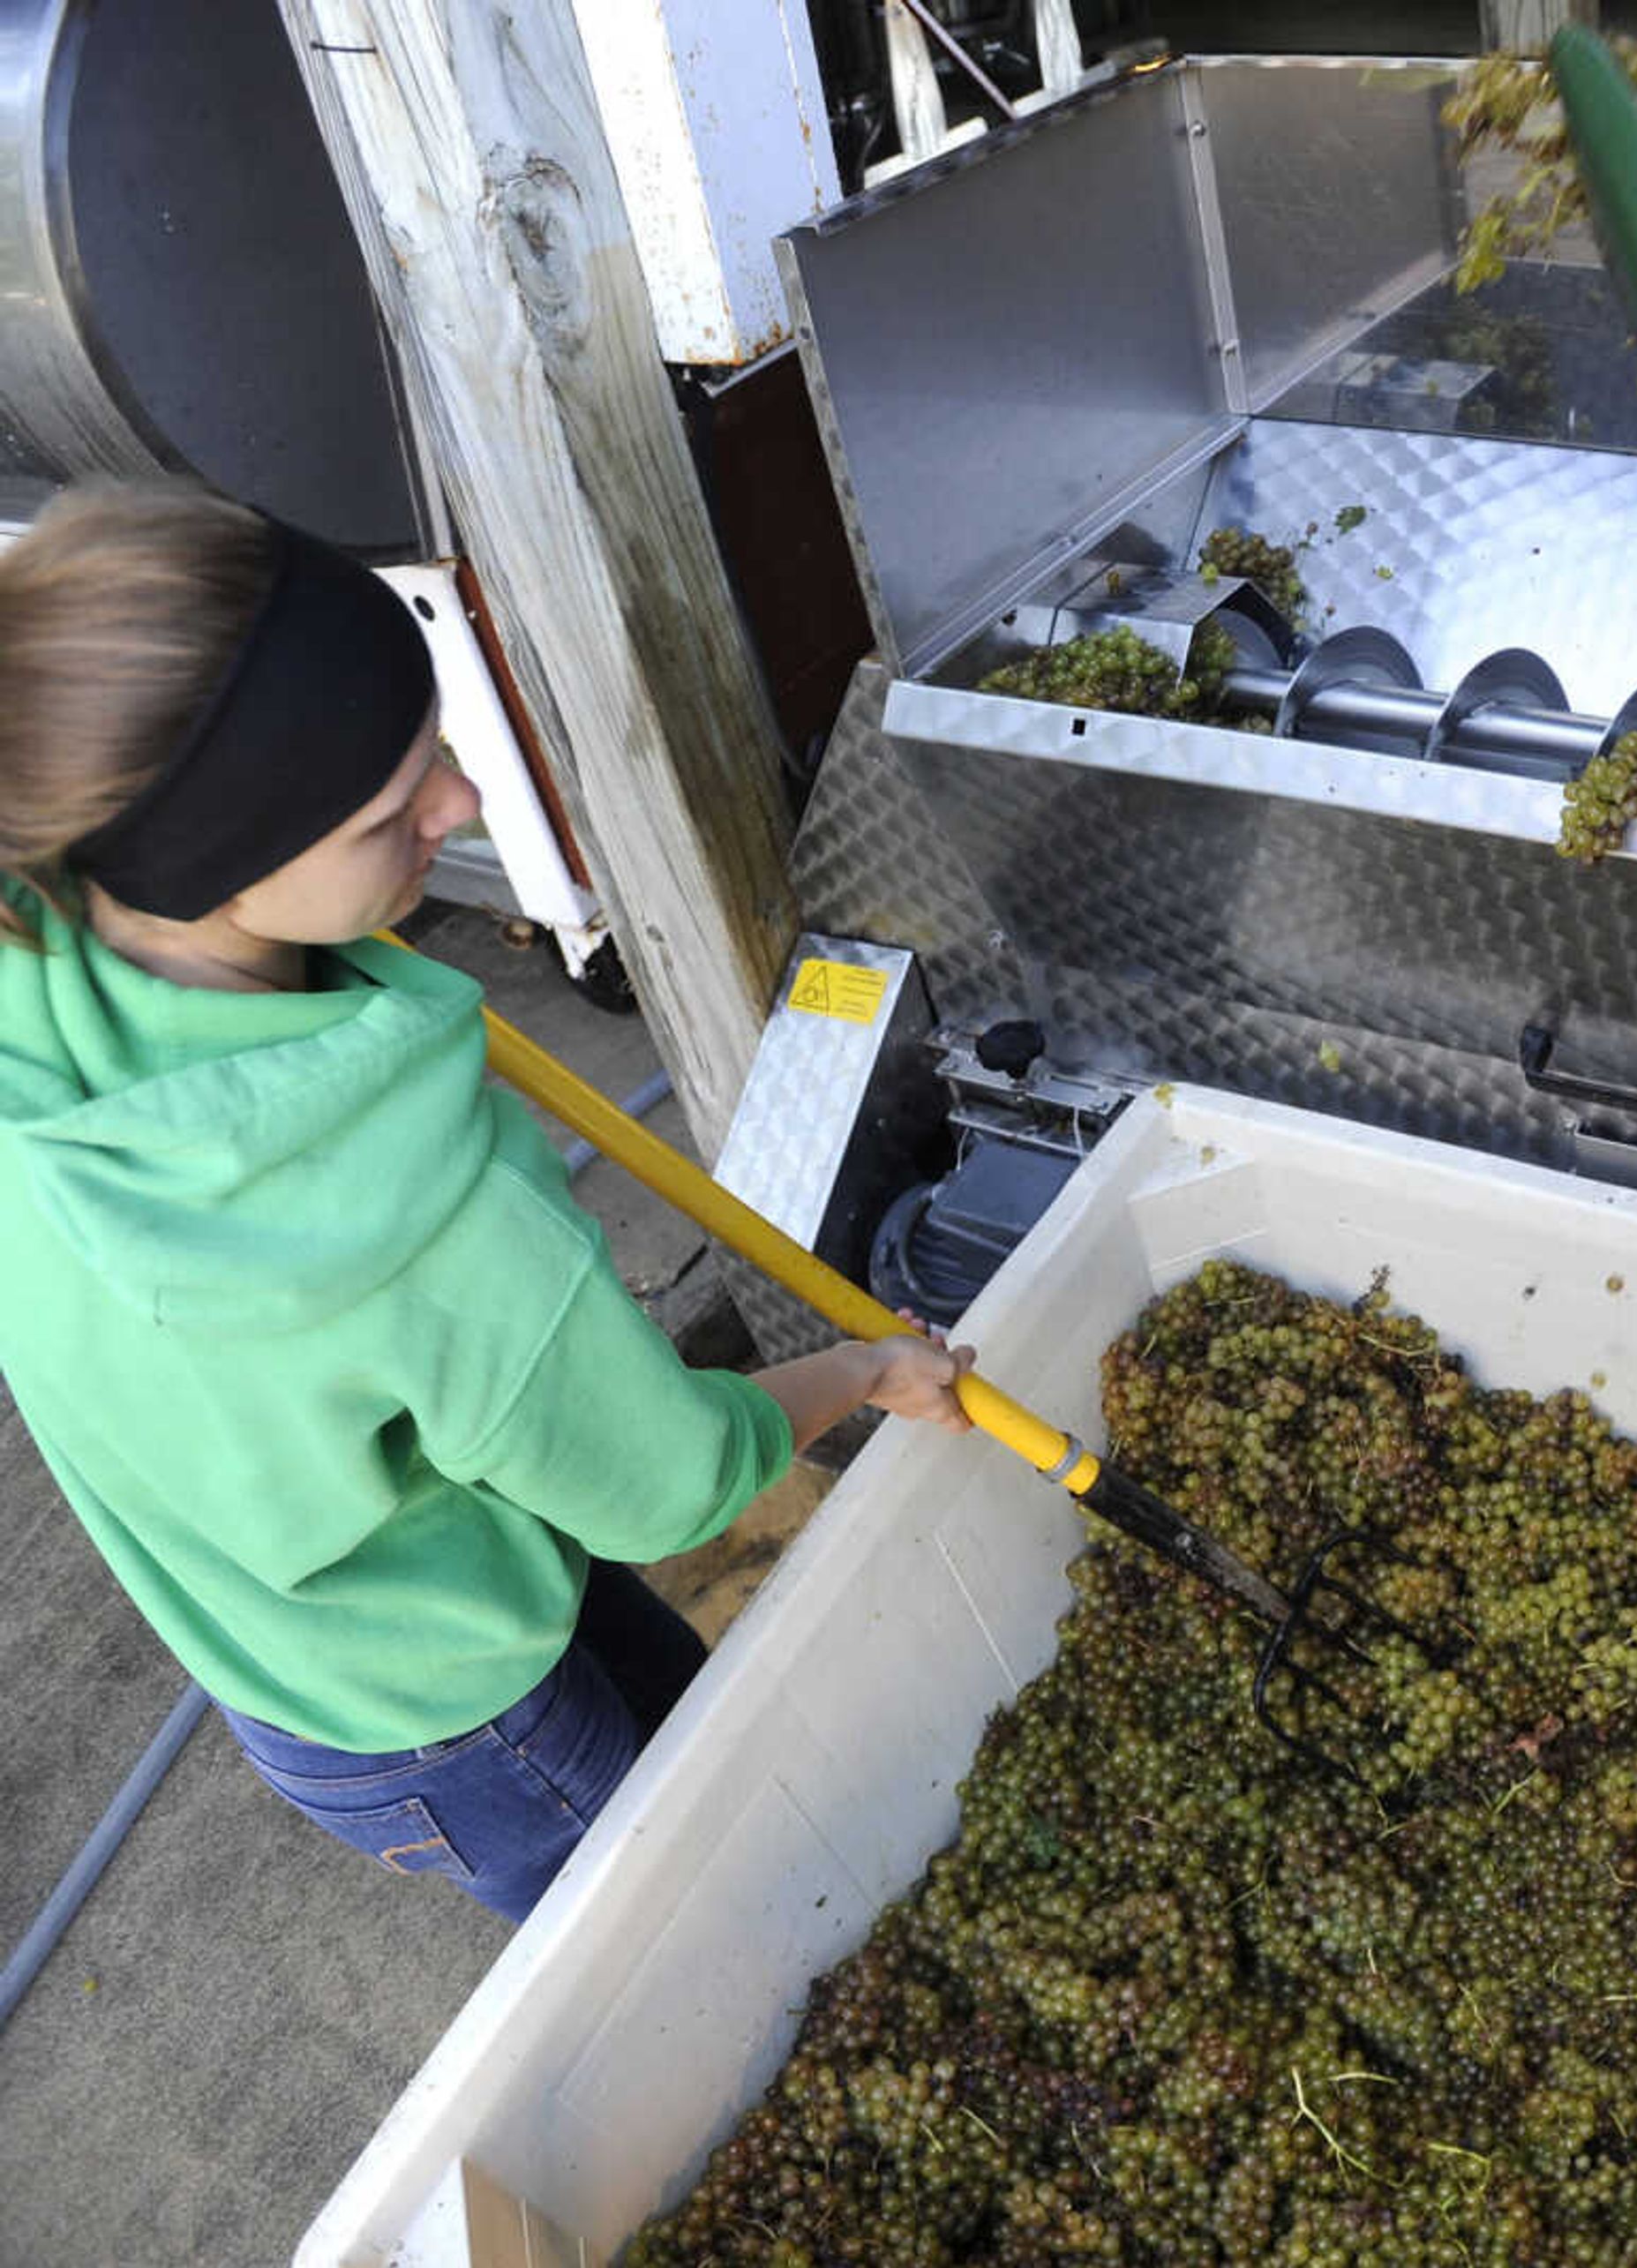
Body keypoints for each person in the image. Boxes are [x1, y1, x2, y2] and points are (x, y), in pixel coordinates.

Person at [0, 480, 977, 1926]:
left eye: (439, 742)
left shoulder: (41, 963)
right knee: (701, 1911)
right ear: (218, 877)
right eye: (398, 813)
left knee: (674, 1706)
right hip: (460, 1722)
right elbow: (672, 1485)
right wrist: (878, 1370)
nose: (461, 804)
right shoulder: (418, 1225)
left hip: (287, 1650)